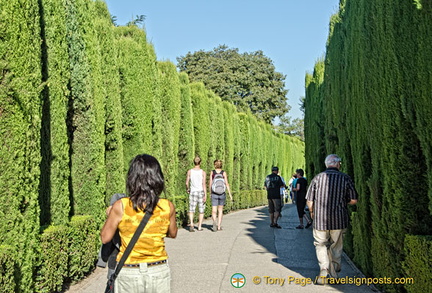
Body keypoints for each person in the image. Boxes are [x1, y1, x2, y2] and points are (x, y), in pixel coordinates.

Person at [101, 154, 178, 292]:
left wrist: (110, 215)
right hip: (158, 270)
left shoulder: (121, 206)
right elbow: (173, 233)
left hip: (129, 270)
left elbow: (105, 237)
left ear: (132, 178)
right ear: (157, 178)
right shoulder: (167, 206)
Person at [306, 154, 358, 285]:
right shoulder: (345, 178)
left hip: (320, 220)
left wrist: (312, 212)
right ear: (337, 164)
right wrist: (343, 201)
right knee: (336, 246)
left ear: (327, 164)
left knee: (320, 244)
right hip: (338, 219)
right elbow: (353, 200)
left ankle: (323, 268)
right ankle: (334, 273)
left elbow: (309, 201)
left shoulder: (317, 178)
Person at [209, 159, 233, 231]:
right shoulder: (223, 173)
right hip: (222, 193)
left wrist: (210, 192)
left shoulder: (212, 172)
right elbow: (227, 183)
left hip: (214, 193)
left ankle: (214, 222)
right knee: (220, 210)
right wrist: (230, 194)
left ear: (214, 165)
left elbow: (210, 183)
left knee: (214, 210)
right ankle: (219, 226)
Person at [185, 156, 207, 232]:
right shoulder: (203, 172)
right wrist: (205, 194)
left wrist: (188, 189)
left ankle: (191, 224)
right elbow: (204, 184)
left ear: (193, 162)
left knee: (191, 209)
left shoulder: (190, 171)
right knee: (201, 210)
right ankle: (199, 226)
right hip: (200, 191)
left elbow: (187, 183)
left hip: (193, 191)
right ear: (200, 163)